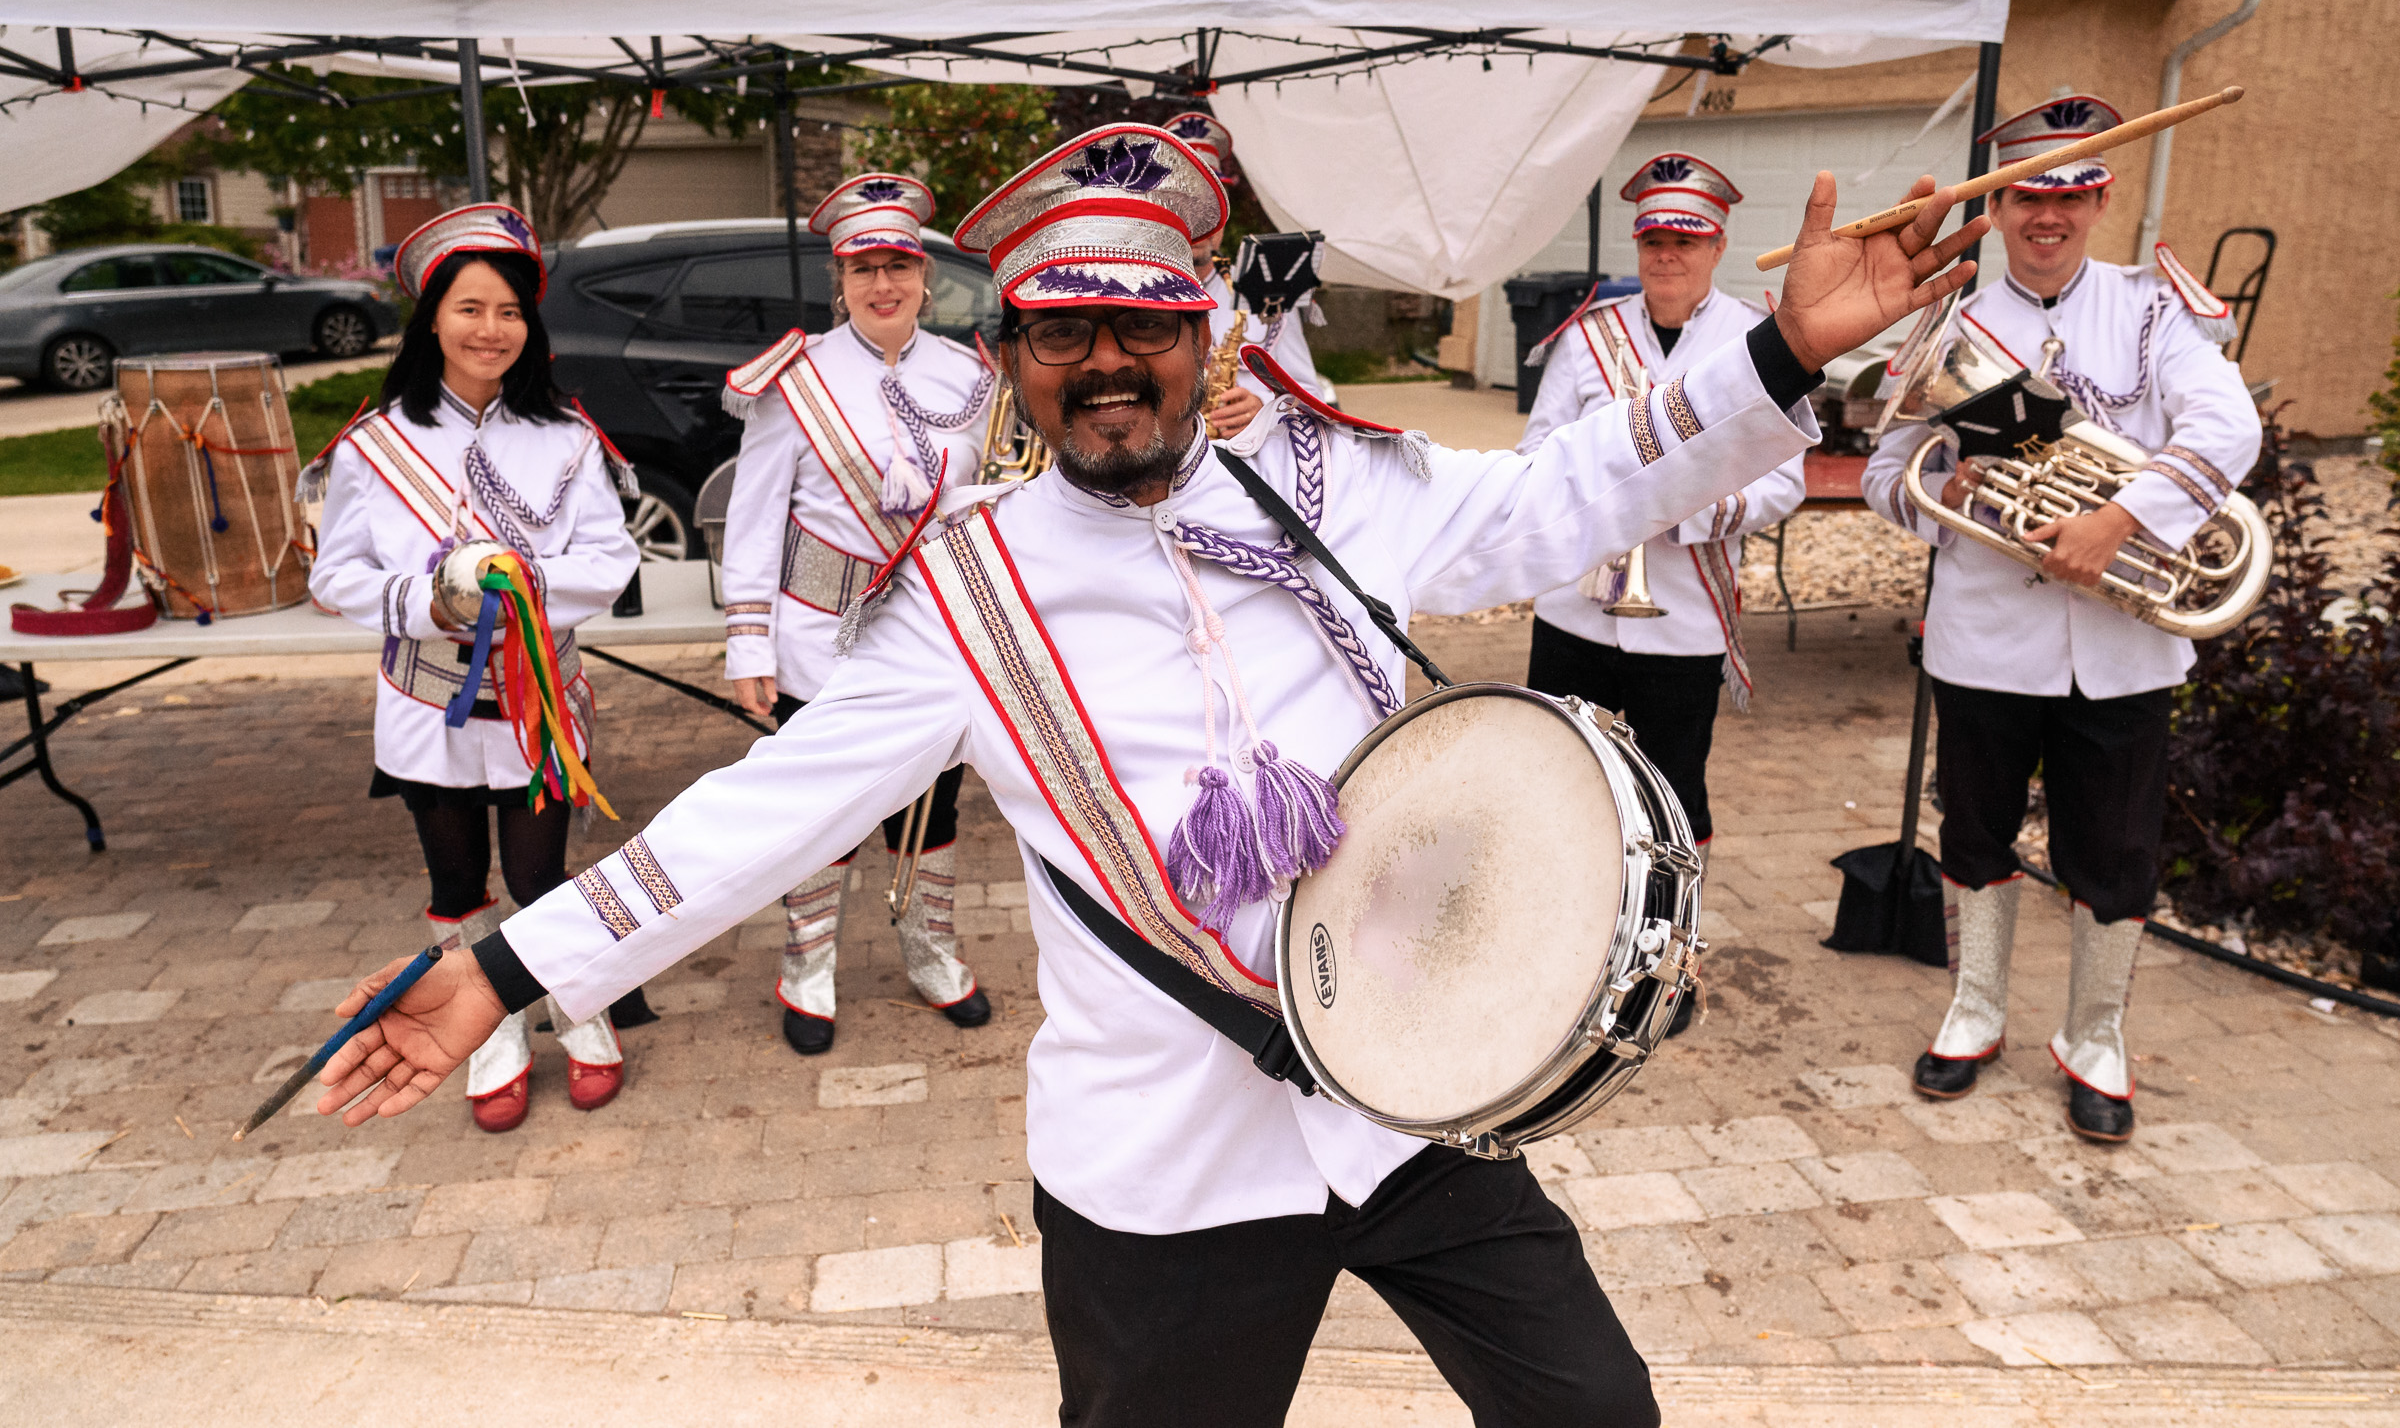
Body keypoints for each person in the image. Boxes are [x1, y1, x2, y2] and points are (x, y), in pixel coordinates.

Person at [318, 124, 1984, 1426]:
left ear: (1202, 335)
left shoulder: (1327, 482)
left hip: (1403, 1094)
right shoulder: (965, 592)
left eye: (1145, 324)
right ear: (1015, 358)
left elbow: (1568, 491)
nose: (1107, 363)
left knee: (1595, 1405)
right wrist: (506, 967)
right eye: (1064, 333)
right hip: (1167, 1165)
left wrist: (1776, 358)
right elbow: (758, 821)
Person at [1861, 93, 2262, 1143]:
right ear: (2001, 204)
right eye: (2031, 191)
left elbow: (2229, 424)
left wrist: (2120, 516)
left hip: (2124, 646)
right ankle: (1975, 1008)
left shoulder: (2152, 308)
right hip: (1986, 633)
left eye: (2072, 192)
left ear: (2102, 197)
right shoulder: (1951, 323)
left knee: (2117, 852)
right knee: (1977, 828)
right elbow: (1882, 475)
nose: (2050, 213)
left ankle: (2096, 1039)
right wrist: (1958, 491)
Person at [307, 203, 641, 1133]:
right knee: (458, 886)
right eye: (469, 308)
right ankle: (485, 1029)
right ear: (431, 322)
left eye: (509, 311)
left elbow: (611, 565)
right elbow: (334, 576)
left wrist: (522, 583)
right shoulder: (374, 446)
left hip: (540, 703)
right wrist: (438, 598)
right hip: (427, 704)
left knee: (542, 882)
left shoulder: (570, 437)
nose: (490, 330)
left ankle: (579, 1005)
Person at [717, 173, 993, 1055]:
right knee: (821, 809)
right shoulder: (794, 380)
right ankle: (806, 970)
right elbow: (755, 519)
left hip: (933, 634)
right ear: (840, 278)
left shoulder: (971, 376)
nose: (884, 285)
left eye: (899, 266)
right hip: (816, 635)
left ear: (924, 275)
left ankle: (930, 952)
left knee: (933, 805)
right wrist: (747, 641)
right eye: (865, 267)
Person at [1520, 153, 1807, 906]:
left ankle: (1662, 956)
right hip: (1575, 613)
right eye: (1654, 242)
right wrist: (1596, 501)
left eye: (1687, 241)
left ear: (1717, 246)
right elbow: (1533, 457)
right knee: (1558, 775)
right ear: (1639, 247)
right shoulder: (1587, 338)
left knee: (1674, 792)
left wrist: (1694, 508)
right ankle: (1562, 937)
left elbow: (1786, 480)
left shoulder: (1757, 338)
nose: (1668, 256)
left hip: (1684, 617)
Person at [1165, 111, 1330, 425]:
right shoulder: (1130, 290)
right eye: (1183, 207)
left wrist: (1264, 410)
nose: (1201, 223)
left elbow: (1313, 399)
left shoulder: (1267, 285)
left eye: (1211, 208)